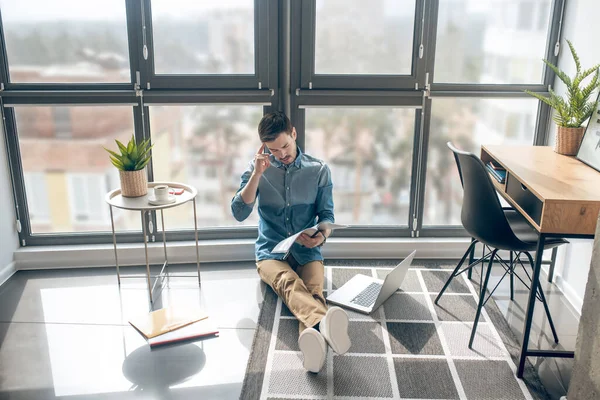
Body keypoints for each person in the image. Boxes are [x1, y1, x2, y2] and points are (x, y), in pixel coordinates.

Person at [231, 111, 351, 373]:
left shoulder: (318, 170)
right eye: (273, 150)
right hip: (270, 252)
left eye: (285, 145)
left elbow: (327, 215)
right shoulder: (258, 170)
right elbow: (239, 212)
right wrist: (257, 174)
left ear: (294, 134)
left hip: (307, 250)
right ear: (264, 147)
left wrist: (322, 235)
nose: (281, 154)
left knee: (314, 289)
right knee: (288, 283)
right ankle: (323, 323)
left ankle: (313, 350)